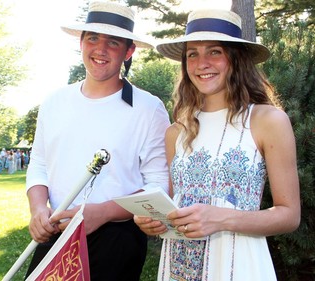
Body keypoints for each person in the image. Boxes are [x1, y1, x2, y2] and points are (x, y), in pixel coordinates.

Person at [134, 9, 301, 281]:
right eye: (192, 54)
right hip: (178, 269)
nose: (201, 63)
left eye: (214, 52)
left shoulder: (268, 120)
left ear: (236, 58)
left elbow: (289, 215)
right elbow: (175, 208)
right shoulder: (176, 131)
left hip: (240, 267)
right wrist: (155, 221)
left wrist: (221, 219)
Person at [25, 1, 170, 280]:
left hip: (117, 239)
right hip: (57, 232)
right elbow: (40, 163)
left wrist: (103, 212)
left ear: (129, 51)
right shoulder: (54, 101)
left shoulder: (148, 108)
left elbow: (159, 183)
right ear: (81, 43)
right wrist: (38, 209)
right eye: (92, 38)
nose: (100, 49)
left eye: (113, 42)